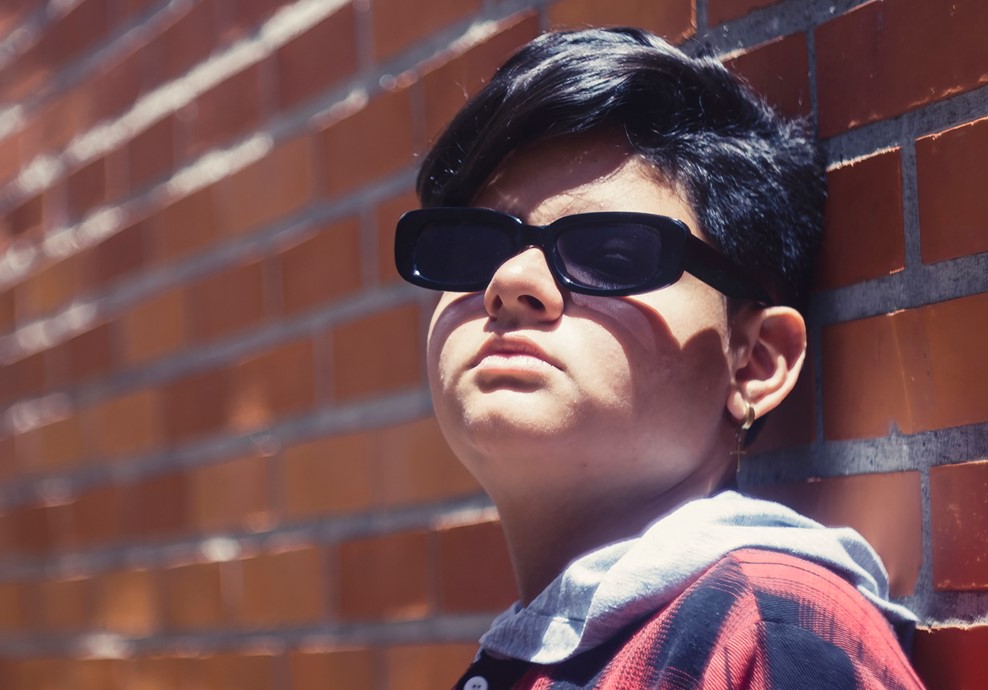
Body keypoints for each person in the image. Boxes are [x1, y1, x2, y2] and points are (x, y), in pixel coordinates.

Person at [395, 27, 925, 688]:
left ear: (754, 362)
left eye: (611, 255)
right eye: (473, 249)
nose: (509, 284)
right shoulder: (540, 650)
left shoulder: (768, 628)